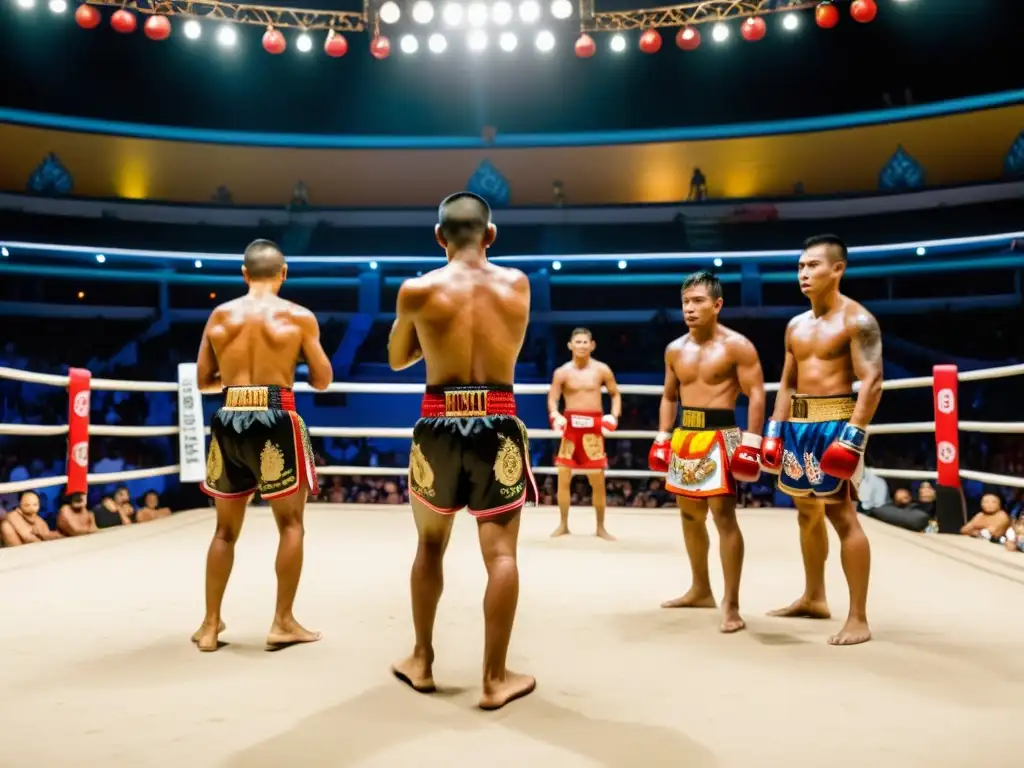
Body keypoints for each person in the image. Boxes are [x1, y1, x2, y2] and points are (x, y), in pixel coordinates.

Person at [388, 191, 538, 711]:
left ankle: (423, 660)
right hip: (498, 419)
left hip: (438, 421)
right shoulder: (517, 285)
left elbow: (396, 357)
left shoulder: (417, 290)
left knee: (430, 546)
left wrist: (431, 334)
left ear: (438, 237)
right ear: (490, 235)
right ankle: (495, 679)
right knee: (501, 554)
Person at [193, 239, 333, 653]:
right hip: (276, 417)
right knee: (290, 525)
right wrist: (287, 366)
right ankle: (282, 622)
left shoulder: (220, 315)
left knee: (223, 530)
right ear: (283, 274)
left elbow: (204, 380)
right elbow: (323, 380)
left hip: (228, 418)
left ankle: (209, 625)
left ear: (243, 274)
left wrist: (241, 386)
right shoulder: (298, 316)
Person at [762, 234, 881, 646]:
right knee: (805, 512)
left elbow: (872, 382)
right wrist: (773, 431)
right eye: (800, 267)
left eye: (813, 265)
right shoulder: (796, 325)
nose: (804, 274)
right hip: (798, 426)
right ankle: (814, 597)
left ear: (838, 269)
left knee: (841, 515)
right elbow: (786, 383)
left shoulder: (858, 320)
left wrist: (853, 437)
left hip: (838, 423)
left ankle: (859, 618)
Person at [647, 271, 766, 633]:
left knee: (724, 518)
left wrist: (753, 442)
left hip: (721, 433)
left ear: (717, 305)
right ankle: (701, 588)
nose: (690, 308)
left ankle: (731, 603)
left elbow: (757, 393)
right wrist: (662, 436)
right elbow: (669, 395)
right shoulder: (674, 349)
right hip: (686, 434)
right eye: (685, 302)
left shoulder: (737, 346)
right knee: (689, 516)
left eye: (698, 301)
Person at [547, 328, 621, 540]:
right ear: (570, 345)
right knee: (563, 478)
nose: (581, 345)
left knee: (597, 480)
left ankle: (600, 527)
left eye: (584, 342)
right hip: (570, 426)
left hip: (593, 428)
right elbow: (553, 397)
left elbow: (615, 394)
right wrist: (555, 415)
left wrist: (613, 416)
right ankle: (563, 524)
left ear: (592, 345)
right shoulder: (562, 372)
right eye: (577, 342)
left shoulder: (601, 370)